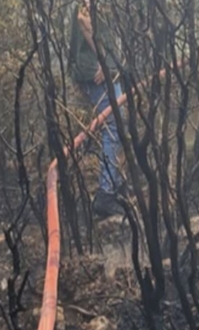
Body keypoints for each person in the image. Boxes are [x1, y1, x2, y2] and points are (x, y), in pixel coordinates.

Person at [68, 0, 125, 218]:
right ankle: (106, 194)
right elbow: (84, 18)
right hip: (96, 71)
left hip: (94, 68)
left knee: (116, 124)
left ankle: (115, 185)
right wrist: (105, 59)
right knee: (113, 125)